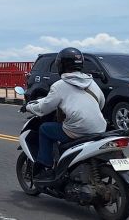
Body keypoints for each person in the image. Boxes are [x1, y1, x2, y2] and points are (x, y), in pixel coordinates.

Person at [24, 47, 106, 181]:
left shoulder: (59, 85)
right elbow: (101, 103)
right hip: (99, 129)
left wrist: (28, 107)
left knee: (45, 129)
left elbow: (44, 108)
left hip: (77, 130)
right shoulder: (91, 83)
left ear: (60, 65)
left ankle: (45, 166)